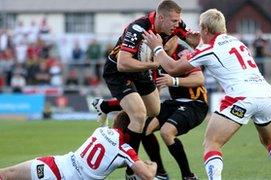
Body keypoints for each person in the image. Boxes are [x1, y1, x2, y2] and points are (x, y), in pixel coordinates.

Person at [142, 8, 271, 180]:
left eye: (201, 28)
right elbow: (209, 50)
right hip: (266, 96)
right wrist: (193, 41)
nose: (199, 31)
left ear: (206, 30)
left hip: (241, 98)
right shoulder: (237, 42)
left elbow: (172, 68)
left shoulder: (209, 49)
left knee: (211, 143)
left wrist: (157, 48)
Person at [101, 0, 200, 176]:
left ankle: (106, 107)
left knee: (154, 110)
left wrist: (205, 38)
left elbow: (194, 41)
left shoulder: (176, 26)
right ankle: (131, 172)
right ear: (161, 18)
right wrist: (155, 64)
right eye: (174, 21)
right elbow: (123, 64)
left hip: (143, 70)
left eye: (179, 21)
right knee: (139, 116)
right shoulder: (138, 28)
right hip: (118, 72)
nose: (177, 25)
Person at [93, 36, 207, 180]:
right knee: (144, 129)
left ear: (176, 38)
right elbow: (152, 94)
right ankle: (161, 173)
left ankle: (188, 176)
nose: (164, 42)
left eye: (168, 39)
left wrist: (174, 81)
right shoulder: (157, 57)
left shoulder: (182, 53)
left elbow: (199, 78)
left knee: (167, 132)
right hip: (174, 103)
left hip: (195, 103)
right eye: (162, 39)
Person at [0, 112, 157, 180]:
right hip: (64, 177)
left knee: (6, 174)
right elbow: (147, 176)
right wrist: (153, 165)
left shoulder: (101, 131)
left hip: (51, 164)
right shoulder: (124, 150)